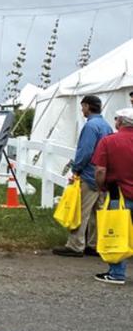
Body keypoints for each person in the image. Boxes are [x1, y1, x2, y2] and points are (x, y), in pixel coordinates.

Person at [52, 96, 113, 257]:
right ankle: (94, 244)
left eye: (83, 107)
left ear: (87, 106)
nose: (82, 110)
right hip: (103, 175)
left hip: (89, 173)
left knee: (81, 210)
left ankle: (75, 244)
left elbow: (86, 150)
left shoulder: (90, 126)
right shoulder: (106, 126)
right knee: (98, 212)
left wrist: (77, 169)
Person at [92, 108, 133, 285]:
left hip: (118, 193)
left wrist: (101, 187)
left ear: (121, 121)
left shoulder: (109, 141)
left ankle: (117, 272)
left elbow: (100, 170)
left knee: (117, 232)